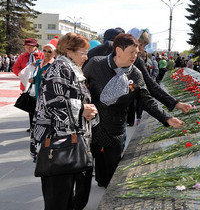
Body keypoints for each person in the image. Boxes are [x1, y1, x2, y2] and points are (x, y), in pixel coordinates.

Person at [83, 34, 185, 188]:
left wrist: (167, 118)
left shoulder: (135, 74)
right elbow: (79, 87)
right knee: (88, 166)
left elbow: (146, 99)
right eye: (131, 52)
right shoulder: (96, 65)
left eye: (136, 53)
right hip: (92, 125)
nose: (135, 56)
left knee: (112, 169)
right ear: (118, 51)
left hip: (115, 128)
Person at [30, 33, 98, 210]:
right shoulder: (60, 67)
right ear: (69, 50)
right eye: (83, 52)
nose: (86, 56)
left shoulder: (71, 67)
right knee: (58, 200)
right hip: (57, 144)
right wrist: (83, 109)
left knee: (68, 198)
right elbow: (53, 102)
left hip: (69, 143)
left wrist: (89, 111)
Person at [12, 38, 44, 132]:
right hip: (27, 85)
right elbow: (15, 68)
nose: (28, 49)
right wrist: (23, 75)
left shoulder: (42, 55)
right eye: (26, 47)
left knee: (40, 106)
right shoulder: (22, 57)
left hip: (39, 85)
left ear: (35, 47)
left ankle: (40, 126)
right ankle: (32, 127)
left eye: (30, 47)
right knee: (30, 106)